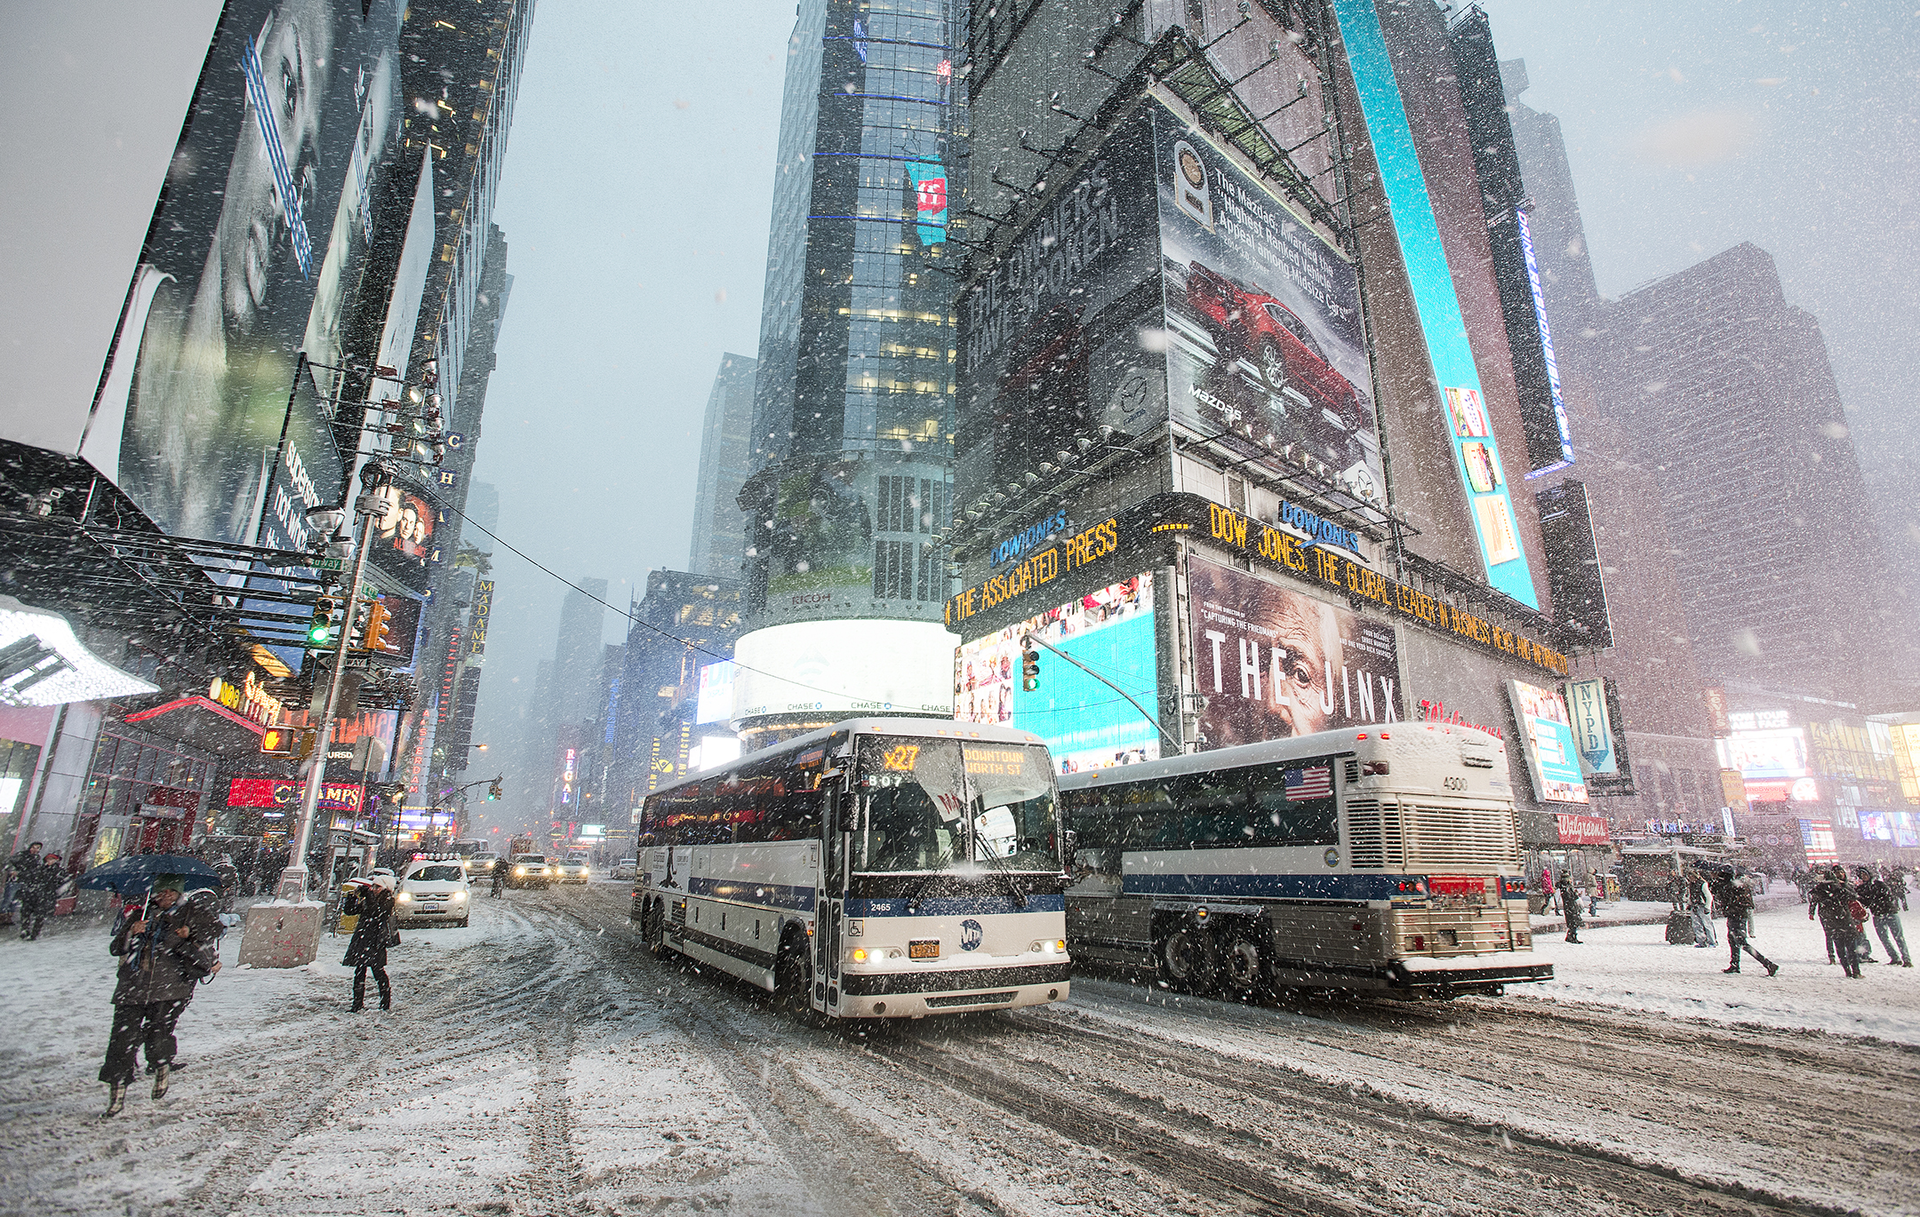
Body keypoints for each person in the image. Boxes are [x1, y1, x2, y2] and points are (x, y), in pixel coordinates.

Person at [99, 875, 222, 1116]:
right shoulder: (141, 914)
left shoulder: (191, 913)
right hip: (132, 987)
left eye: (170, 892)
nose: (164, 896)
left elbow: (214, 930)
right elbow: (116, 948)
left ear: (178, 893)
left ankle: (161, 1066)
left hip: (171, 986)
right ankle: (117, 1093)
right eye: (160, 892)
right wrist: (131, 932)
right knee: (121, 1041)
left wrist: (186, 932)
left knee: (159, 1034)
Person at [340, 875, 396, 1012]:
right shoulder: (369, 900)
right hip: (363, 939)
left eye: (378, 887)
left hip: (376, 941)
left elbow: (376, 913)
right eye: (373, 886)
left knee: (378, 972)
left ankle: (384, 1003)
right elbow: (350, 911)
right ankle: (357, 1004)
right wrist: (352, 897)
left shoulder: (388, 900)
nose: (374, 889)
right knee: (359, 971)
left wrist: (369, 896)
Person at [1712, 872, 1777, 976]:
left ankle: (1767, 963)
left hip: (1735, 916)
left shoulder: (1730, 888)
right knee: (1733, 940)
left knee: (1741, 942)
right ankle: (1734, 964)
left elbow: (1727, 901)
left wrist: (1727, 905)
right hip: (1738, 916)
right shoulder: (1738, 886)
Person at [1810, 866, 1865, 979]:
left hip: (1832, 922)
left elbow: (1814, 899)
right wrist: (1842, 885)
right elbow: (1853, 896)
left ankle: (1847, 970)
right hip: (1845, 921)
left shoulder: (1820, 889)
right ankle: (1856, 971)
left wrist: (1812, 912)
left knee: (1839, 948)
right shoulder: (1839, 888)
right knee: (1851, 948)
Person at [1857, 866, 1912, 967]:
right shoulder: (1862, 888)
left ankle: (1906, 959)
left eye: (1865, 874)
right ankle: (1894, 957)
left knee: (1898, 936)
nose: (1864, 877)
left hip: (1889, 912)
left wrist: (1873, 902)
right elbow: (1863, 902)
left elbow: (1888, 896)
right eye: (1861, 875)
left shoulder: (1879, 884)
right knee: (1884, 938)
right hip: (1878, 915)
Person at [18, 853, 65, 940]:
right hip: (34, 894)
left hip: (46, 896)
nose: (50, 861)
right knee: (26, 912)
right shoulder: (40, 869)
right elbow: (31, 877)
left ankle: (34, 933)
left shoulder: (58, 871)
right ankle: (25, 930)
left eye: (52, 860)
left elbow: (60, 883)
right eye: (48, 859)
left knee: (40, 915)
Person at [4, 841, 42, 925]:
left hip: (25, 882)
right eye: (33, 847)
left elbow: (34, 872)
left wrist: (20, 874)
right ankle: (3, 916)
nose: (35, 850)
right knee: (8, 899)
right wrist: (12, 871)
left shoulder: (37, 858)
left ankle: (8, 917)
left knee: (15, 900)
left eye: (37, 848)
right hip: (16, 881)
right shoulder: (22, 855)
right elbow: (8, 862)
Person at [1687, 868, 1716, 948]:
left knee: (1707, 924)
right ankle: (1701, 941)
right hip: (1695, 906)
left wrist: (1707, 907)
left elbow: (1708, 896)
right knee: (1696, 924)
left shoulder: (1702, 884)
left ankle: (1712, 941)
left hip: (1702, 906)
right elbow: (1691, 895)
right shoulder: (1692, 885)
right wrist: (1690, 903)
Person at [1558, 871, 1584, 943]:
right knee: (1573, 921)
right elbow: (1569, 896)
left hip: (1570, 906)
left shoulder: (1566, 886)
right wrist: (1575, 896)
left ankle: (1571, 936)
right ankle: (1571, 936)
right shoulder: (1565, 886)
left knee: (1574, 921)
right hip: (1570, 906)